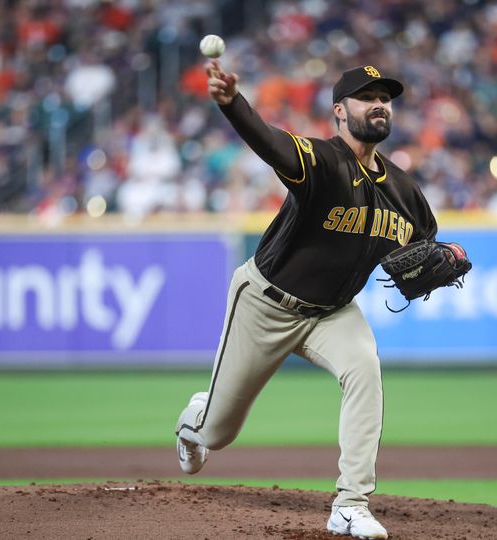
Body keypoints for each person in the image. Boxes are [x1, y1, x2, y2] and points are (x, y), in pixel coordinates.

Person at [175, 62, 441, 540]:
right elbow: (268, 141)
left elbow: (423, 248)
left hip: (334, 312)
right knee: (218, 433)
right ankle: (198, 417)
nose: (380, 104)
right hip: (265, 303)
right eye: (367, 97)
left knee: (365, 369)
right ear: (340, 111)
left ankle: (351, 504)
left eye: (386, 97)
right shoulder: (320, 161)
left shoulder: (406, 192)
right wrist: (232, 103)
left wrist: (430, 265)